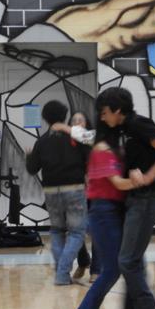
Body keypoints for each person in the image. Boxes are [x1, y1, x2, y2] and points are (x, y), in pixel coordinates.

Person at [94, 87, 155, 309]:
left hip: (147, 199)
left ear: (118, 110)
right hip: (137, 200)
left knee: (128, 261)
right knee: (134, 261)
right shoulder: (122, 131)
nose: (102, 117)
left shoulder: (139, 124)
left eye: (105, 112)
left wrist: (149, 177)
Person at [66, 122, 142, 309]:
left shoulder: (108, 151)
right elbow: (118, 184)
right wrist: (139, 181)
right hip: (103, 213)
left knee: (114, 269)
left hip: (110, 213)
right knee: (112, 270)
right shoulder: (101, 151)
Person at [26, 101, 89, 285]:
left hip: (51, 191)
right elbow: (94, 140)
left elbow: (32, 169)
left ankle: (61, 273)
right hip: (75, 189)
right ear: (64, 115)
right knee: (77, 233)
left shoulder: (42, 141)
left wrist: (29, 156)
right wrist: (71, 130)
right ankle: (62, 274)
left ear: (44, 118)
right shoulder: (75, 136)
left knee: (57, 231)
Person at [67, 112, 101, 283]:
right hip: (74, 191)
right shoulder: (67, 144)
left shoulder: (92, 139)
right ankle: (83, 261)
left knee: (95, 230)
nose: (78, 122)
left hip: (94, 191)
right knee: (75, 229)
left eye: (81, 119)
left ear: (87, 123)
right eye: (74, 121)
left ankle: (96, 269)